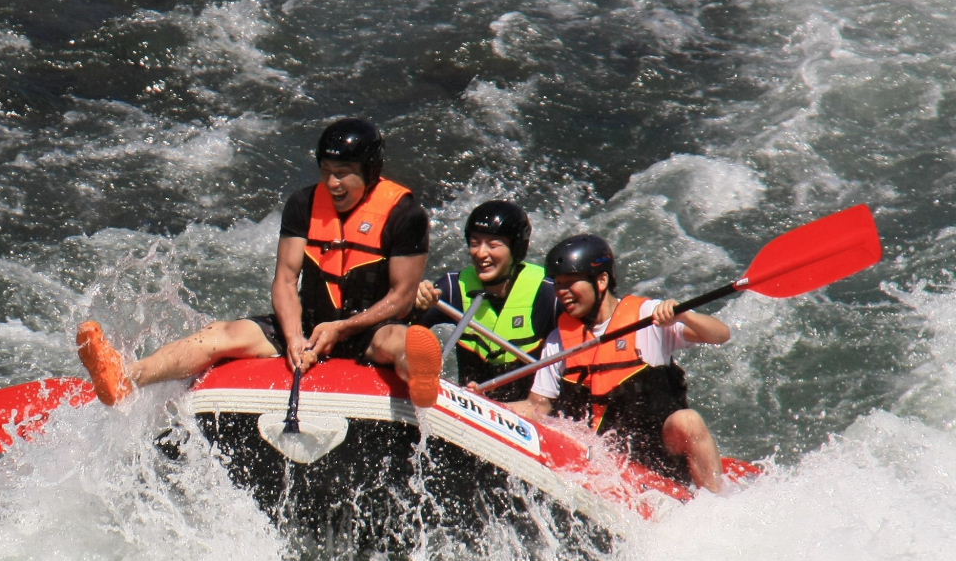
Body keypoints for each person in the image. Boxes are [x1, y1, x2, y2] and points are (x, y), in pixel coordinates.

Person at [76, 117, 443, 407]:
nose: (332, 183)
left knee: (400, 341)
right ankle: (127, 376)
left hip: (369, 329)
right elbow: (285, 280)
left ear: (370, 170)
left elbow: (402, 295)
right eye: (326, 171)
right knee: (222, 334)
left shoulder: (404, 214)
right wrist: (295, 336)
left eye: (343, 172)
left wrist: (342, 329)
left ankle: (420, 381)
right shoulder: (303, 203)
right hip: (310, 326)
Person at [512, 234, 731, 492]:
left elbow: (719, 334)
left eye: (571, 284)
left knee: (688, 420)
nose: (563, 293)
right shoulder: (559, 339)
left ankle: (718, 503)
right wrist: (479, 401)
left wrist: (683, 316)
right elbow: (537, 405)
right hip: (602, 458)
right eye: (559, 285)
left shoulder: (649, 316)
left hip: (661, 454)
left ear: (602, 280)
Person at [413, 200, 560, 401]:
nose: (481, 254)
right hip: (472, 404)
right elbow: (406, 326)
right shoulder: (453, 287)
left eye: (493, 245)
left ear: (516, 249)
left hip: (529, 410)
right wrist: (418, 304)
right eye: (474, 243)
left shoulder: (548, 293)